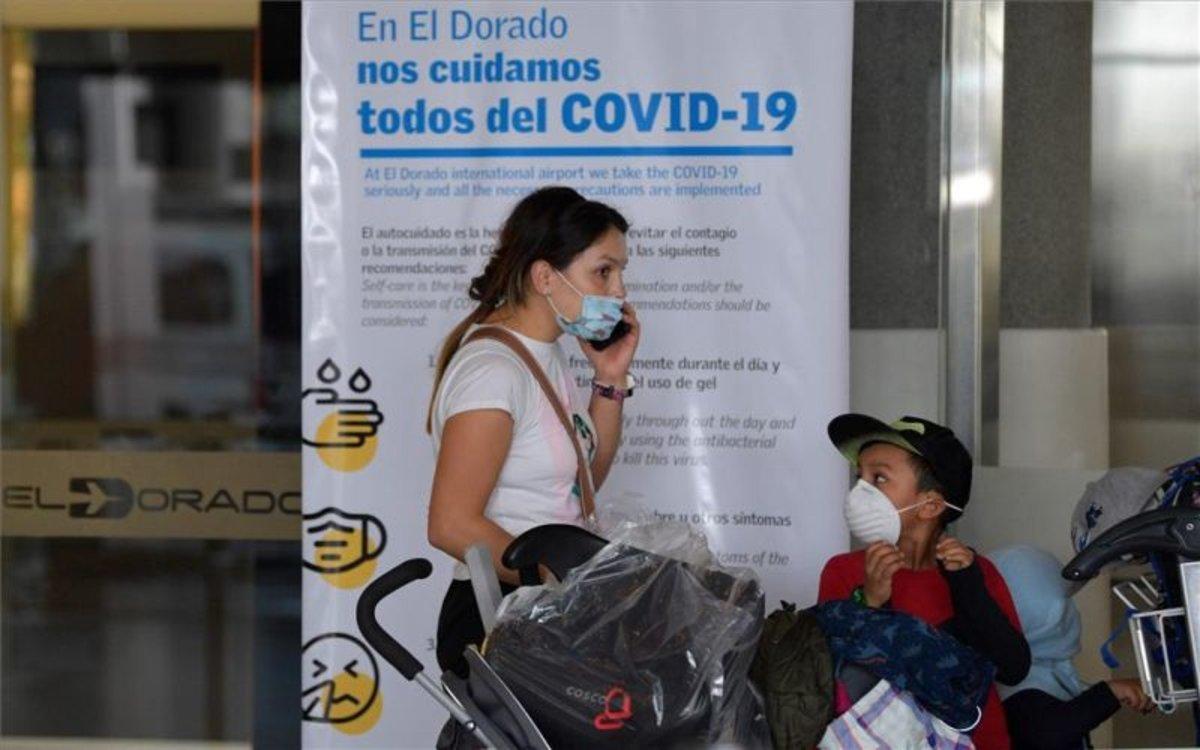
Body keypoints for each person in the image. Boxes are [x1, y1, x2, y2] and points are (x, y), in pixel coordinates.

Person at [425, 186, 639, 677]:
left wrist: (609, 379)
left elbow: (580, 483)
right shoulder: (493, 371)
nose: (620, 290)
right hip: (500, 611)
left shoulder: (546, 355)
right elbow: (450, 524)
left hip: (541, 603)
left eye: (620, 272)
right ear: (545, 276)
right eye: (603, 271)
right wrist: (557, 576)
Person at [817, 413, 1031, 749]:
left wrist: (967, 584)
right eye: (860, 477)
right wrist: (869, 601)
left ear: (930, 505)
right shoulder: (844, 571)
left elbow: (1012, 667)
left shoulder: (978, 572)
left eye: (879, 478)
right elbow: (828, 676)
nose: (861, 491)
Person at [991, 545, 1153, 750]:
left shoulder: (1038, 672)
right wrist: (1110, 692)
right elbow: (1047, 734)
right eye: (1064, 606)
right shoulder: (1013, 687)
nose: (1073, 615)